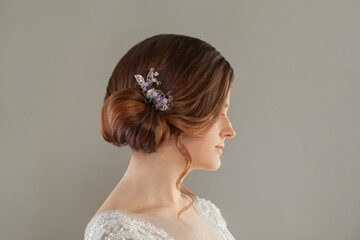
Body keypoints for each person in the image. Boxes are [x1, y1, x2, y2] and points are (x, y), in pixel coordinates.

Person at [84, 34, 236, 240]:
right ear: (181, 112)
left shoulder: (205, 212)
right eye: (218, 113)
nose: (230, 130)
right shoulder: (116, 233)